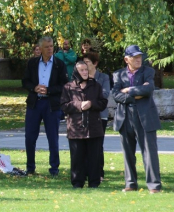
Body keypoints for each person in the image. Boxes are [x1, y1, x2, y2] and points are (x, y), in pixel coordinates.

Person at [111, 45, 162, 194]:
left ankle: (154, 185)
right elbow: (115, 94)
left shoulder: (148, 71)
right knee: (127, 153)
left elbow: (148, 89)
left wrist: (128, 90)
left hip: (145, 117)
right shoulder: (118, 75)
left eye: (140, 56)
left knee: (149, 152)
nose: (138, 59)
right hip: (125, 117)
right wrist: (135, 95)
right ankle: (130, 183)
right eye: (134, 57)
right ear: (127, 59)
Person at [22, 36, 67, 176]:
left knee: (52, 137)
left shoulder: (59, 64)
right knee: (30, 137)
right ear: (40, 48)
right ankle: (30, 168)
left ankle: (54, 169)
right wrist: (34, 88)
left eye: (51, 46)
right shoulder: (32, 63)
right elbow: (25, 81)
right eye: (47, 47)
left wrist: (49, 90)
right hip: (35, 104)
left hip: (51, 105)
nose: (50, 49)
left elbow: (64, 85)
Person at [61, 62, 108, 188]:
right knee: (77, 158)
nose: (85, 72)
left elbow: (103, 103)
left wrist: (91, 104)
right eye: (82, 70)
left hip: (93, 127)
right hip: (75, 129)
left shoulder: (95, 86)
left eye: (86, 70)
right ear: (76, 72)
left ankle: (94, 182)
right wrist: (78, 105)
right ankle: (77, 182)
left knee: (94, 157)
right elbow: (64, 105)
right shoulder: (69, 87)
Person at [83, 52, 110, 180]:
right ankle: (86, 171)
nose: (85, 65)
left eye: (87, 62)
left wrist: (89, 101)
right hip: (83, 115)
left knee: (98, 144)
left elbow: (104, 94)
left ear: (95, 63)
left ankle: (99, 172)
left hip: (100, 115)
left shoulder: (103, 77)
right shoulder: (80, 77)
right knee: (84, 144)